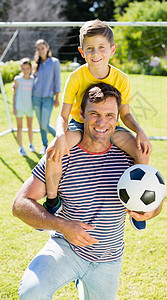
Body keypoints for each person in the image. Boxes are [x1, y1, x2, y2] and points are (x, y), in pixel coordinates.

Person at [12, 83, 164, 300]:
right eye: (94, 114)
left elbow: (156, 201)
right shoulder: (61, 153)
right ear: (82, 114)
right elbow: (19, 204)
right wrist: (63, 226)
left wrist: (151, 212)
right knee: (32, 292)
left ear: (117, 117)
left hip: (108, 258)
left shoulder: (129, 158)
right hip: (66, 248)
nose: (102, 122)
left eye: (110, 115)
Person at [44, 20, 152, 230]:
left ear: (112, 49)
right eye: (90, 48)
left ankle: (137, 205)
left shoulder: (121, 78)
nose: (96, 53)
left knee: (142, 149)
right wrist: (59, 135)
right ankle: (52, 201)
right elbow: (63, 115)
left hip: (112, 127)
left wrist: (139, 131)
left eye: (101, 47)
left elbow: (126, 114)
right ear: (82, 51)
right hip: (80, 125)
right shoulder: (76, 77)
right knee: (53, 151)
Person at [32, 39, 61, 155]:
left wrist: (57, 97)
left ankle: (59, 139)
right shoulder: (36, 64)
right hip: (35, 98)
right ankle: (44, 144)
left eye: (42, 48)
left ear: (47, 48)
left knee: (45, 124)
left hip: (48, 98)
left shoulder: (54, 62)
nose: (41, 51)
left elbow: (57, 80)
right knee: (41, 124)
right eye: (38, 49)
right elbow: (32, 79)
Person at [13, 57, 35, 156]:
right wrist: (14, 107)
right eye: (23, 69)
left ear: (30, 68)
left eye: (27, 68)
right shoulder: (17, 79)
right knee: (19, 127)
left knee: (30, 126)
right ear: (21, 69)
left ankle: (31, 145)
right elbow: (14, 94)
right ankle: (21, 147)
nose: (26, 71)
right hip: (19, 107)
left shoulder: (33, 80)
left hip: (29, 107)